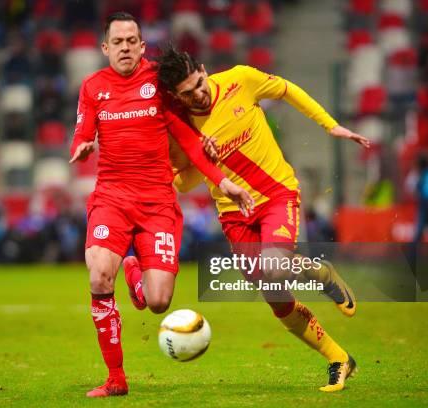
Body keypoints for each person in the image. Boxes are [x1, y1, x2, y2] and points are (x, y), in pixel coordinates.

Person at [135, 45, 373, 392]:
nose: (199, 94)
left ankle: (322, 274)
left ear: (203, 69)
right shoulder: (181, 125)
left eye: (199, 83)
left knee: (275, 266)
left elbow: (287, 89)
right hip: (234, 215)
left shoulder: (240, 80)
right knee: (275, 294)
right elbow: (184, 182)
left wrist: (331, 125)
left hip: (277, 194)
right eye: (188, 93)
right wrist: (202, 154)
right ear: (175, 95)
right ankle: (339, 359)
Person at [69, 12, 253, 398]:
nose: (124, 47)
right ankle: (116, 379)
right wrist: (82, 148)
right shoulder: (92, 87)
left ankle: (134, 270)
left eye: (131, 40)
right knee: (99, 275)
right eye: (117, 42)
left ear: (141, 45)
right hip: (112, 197)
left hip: (157, 203)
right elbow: (82, 134)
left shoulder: (159, 82)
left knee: (157, 302)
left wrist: (223, 183)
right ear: (105, 48)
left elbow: (188, 140)